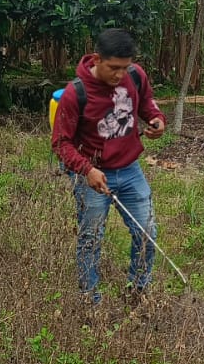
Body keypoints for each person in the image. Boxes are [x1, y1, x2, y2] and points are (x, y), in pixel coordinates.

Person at [51, 27, 166, 302]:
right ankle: (89, 298)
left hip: (130, 170)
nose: (119, 75)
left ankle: (138, 290)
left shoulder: (135, 76)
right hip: (92, 176)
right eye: (114, 68)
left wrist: (156, 120)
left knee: (147, 232)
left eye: (124, 68)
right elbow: (61, 143)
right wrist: (86, 170)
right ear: (97, 59)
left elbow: (146, 103)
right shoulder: (75, 93)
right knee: (90, 238)